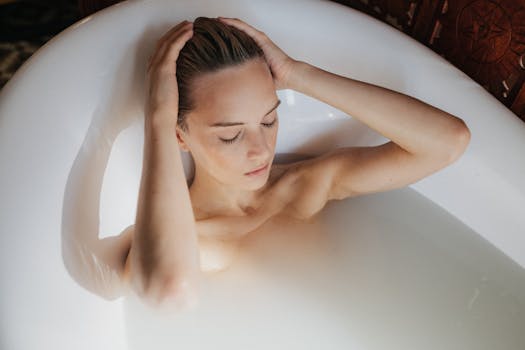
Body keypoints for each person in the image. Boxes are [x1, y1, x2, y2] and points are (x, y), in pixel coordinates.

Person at [117, 16, 471, 311]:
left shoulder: (303, 185)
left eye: (269, 121)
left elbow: (447, 142)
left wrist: (295, 74)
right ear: (179, 137)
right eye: (231, 135)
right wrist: (159, 120)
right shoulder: (190, 240)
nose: (261, 150)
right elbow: (167, 290)